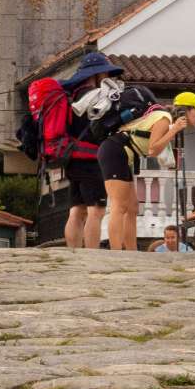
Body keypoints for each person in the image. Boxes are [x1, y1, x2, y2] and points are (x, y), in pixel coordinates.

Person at [98, 91, 195, 251]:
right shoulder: (163, 119)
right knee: (119, 205)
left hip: (122, 155)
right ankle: (116, 252)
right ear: (187, 110)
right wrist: (174, 130)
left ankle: (131, 252)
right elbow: (153, 150)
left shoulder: (166, 121)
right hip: (115, 151)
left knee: (132, 207)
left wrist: (173, 132)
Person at [60, 52, 123, 250]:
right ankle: (91, 253)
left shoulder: (71, 96)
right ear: (96, 74)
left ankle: (73, 251)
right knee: (96, 210)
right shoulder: (96, 96)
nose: (107, 77)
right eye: (104, 74)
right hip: (91, 159)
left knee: (76, 210)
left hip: (71, 158)